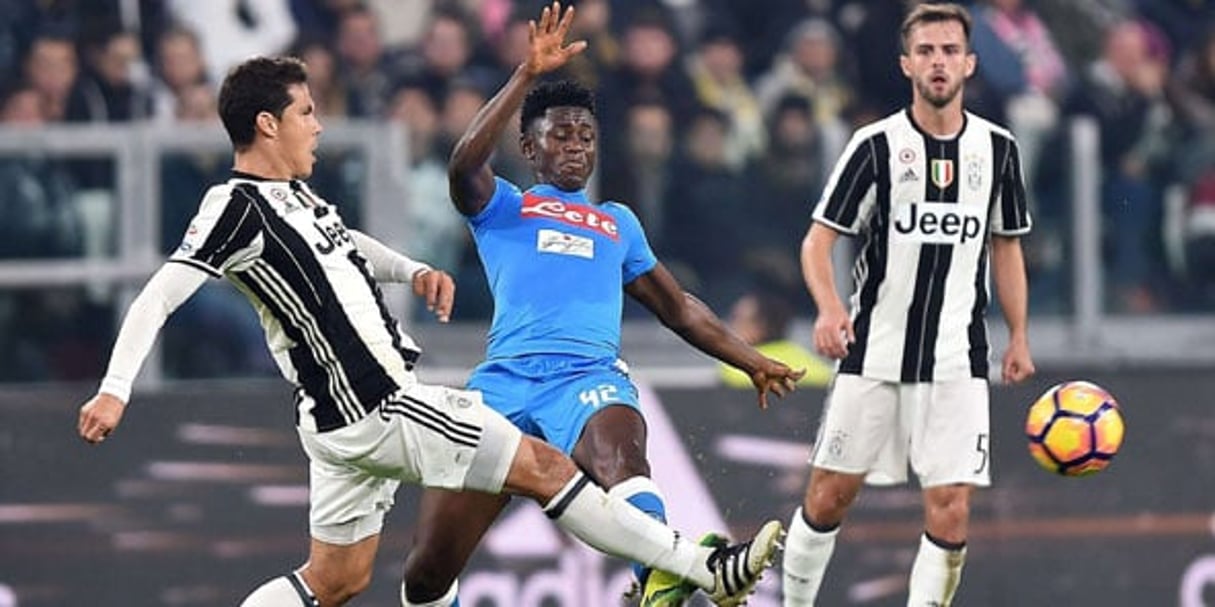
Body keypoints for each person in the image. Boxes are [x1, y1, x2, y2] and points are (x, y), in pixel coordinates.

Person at [75, 54, 784, 607]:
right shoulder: (232, 205)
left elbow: (342, 240)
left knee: (335, 580)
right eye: (307, 112)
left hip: (338, 423)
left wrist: (410, 271)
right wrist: (114, 390)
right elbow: (160, 292)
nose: (318, 124)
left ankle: (676, 567)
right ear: (267, 124)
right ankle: (700, 565)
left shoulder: (291, 198)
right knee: (544, 471)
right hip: (378, 400)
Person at [401, 3, 805, 607]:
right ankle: (675, 565)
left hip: (586, 378)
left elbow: (678, 306)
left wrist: (750, 358)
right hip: (502, 387)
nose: (577, 147)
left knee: (622, 452)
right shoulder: (505, 206)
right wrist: (523, 77)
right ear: (528, 146)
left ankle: (658, 578)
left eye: (587, 137)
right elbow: (463, 165)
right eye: (561, 135)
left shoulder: (615, 222)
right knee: (428, 575)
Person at [779, 4, 1036, 606]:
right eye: (926, 51)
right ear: (906, 64)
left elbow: (1006, 246)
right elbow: (819, 241)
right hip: (874, 351)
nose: (938, 62)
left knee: (951, 508)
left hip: (957, 359)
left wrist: (1019, 333)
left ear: (969, 63)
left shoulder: (998, 151)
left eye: (949, 51)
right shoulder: (874, 147)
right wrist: (827, 307)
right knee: (827, 497)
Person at [718, 289, 831, 390]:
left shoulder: (735, 368)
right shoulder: (809, 360)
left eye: (739, 319)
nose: (732, 326)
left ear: (762, 326)